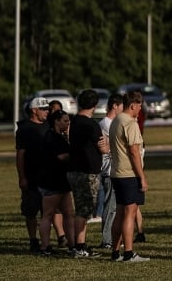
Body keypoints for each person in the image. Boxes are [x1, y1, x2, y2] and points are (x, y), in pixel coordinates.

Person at [109, 90, 149, 263]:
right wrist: (142, 177)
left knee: (119, 212)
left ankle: (115, 252)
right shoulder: (130, 123)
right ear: (133, 105)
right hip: (129, 174)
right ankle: (128, 253)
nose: (140, 110)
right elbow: (134, 152)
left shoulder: (116, 120)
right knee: (130, 213)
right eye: (139, 106)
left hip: (116, 172)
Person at [66, 89, 105, 258]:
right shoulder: (91, 125)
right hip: (87, 172)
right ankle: (79, 246)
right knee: (84, 209)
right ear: (95, 106)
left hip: (74, 170)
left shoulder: (74, 122)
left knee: (81, 208)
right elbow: (103, 148)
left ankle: (77, 244)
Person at [16, 98, 50, 255]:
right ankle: (33, 240)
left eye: (47, 108)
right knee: (31, 211)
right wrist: (22, 177)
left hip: (47, 177)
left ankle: (45, 242)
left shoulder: (49, 125)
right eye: (43, 108)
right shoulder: (25, 129)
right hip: (31, 177)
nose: (46, 111)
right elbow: (20, 154)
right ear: (34, 110)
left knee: (47, 212)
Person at [41, 109, 77, 256]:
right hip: (52, 181)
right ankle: (45, 247)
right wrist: (75, 154)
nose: (68, 123)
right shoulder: (51, 137)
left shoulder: (60, 136)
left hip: (62, 181)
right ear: (56, 121)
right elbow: (61, 157)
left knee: (69, 213)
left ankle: (73, 244)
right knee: (48, 214)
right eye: (65, 121)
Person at [98, 93, 125, 249]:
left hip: (116, 169)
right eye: (122, 106)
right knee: (110, 207)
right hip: (109, 171)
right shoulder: (107, 124)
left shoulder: (112, 123)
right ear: (115, 105)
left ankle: (112, 238)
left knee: (116, 207)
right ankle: (107, 239)